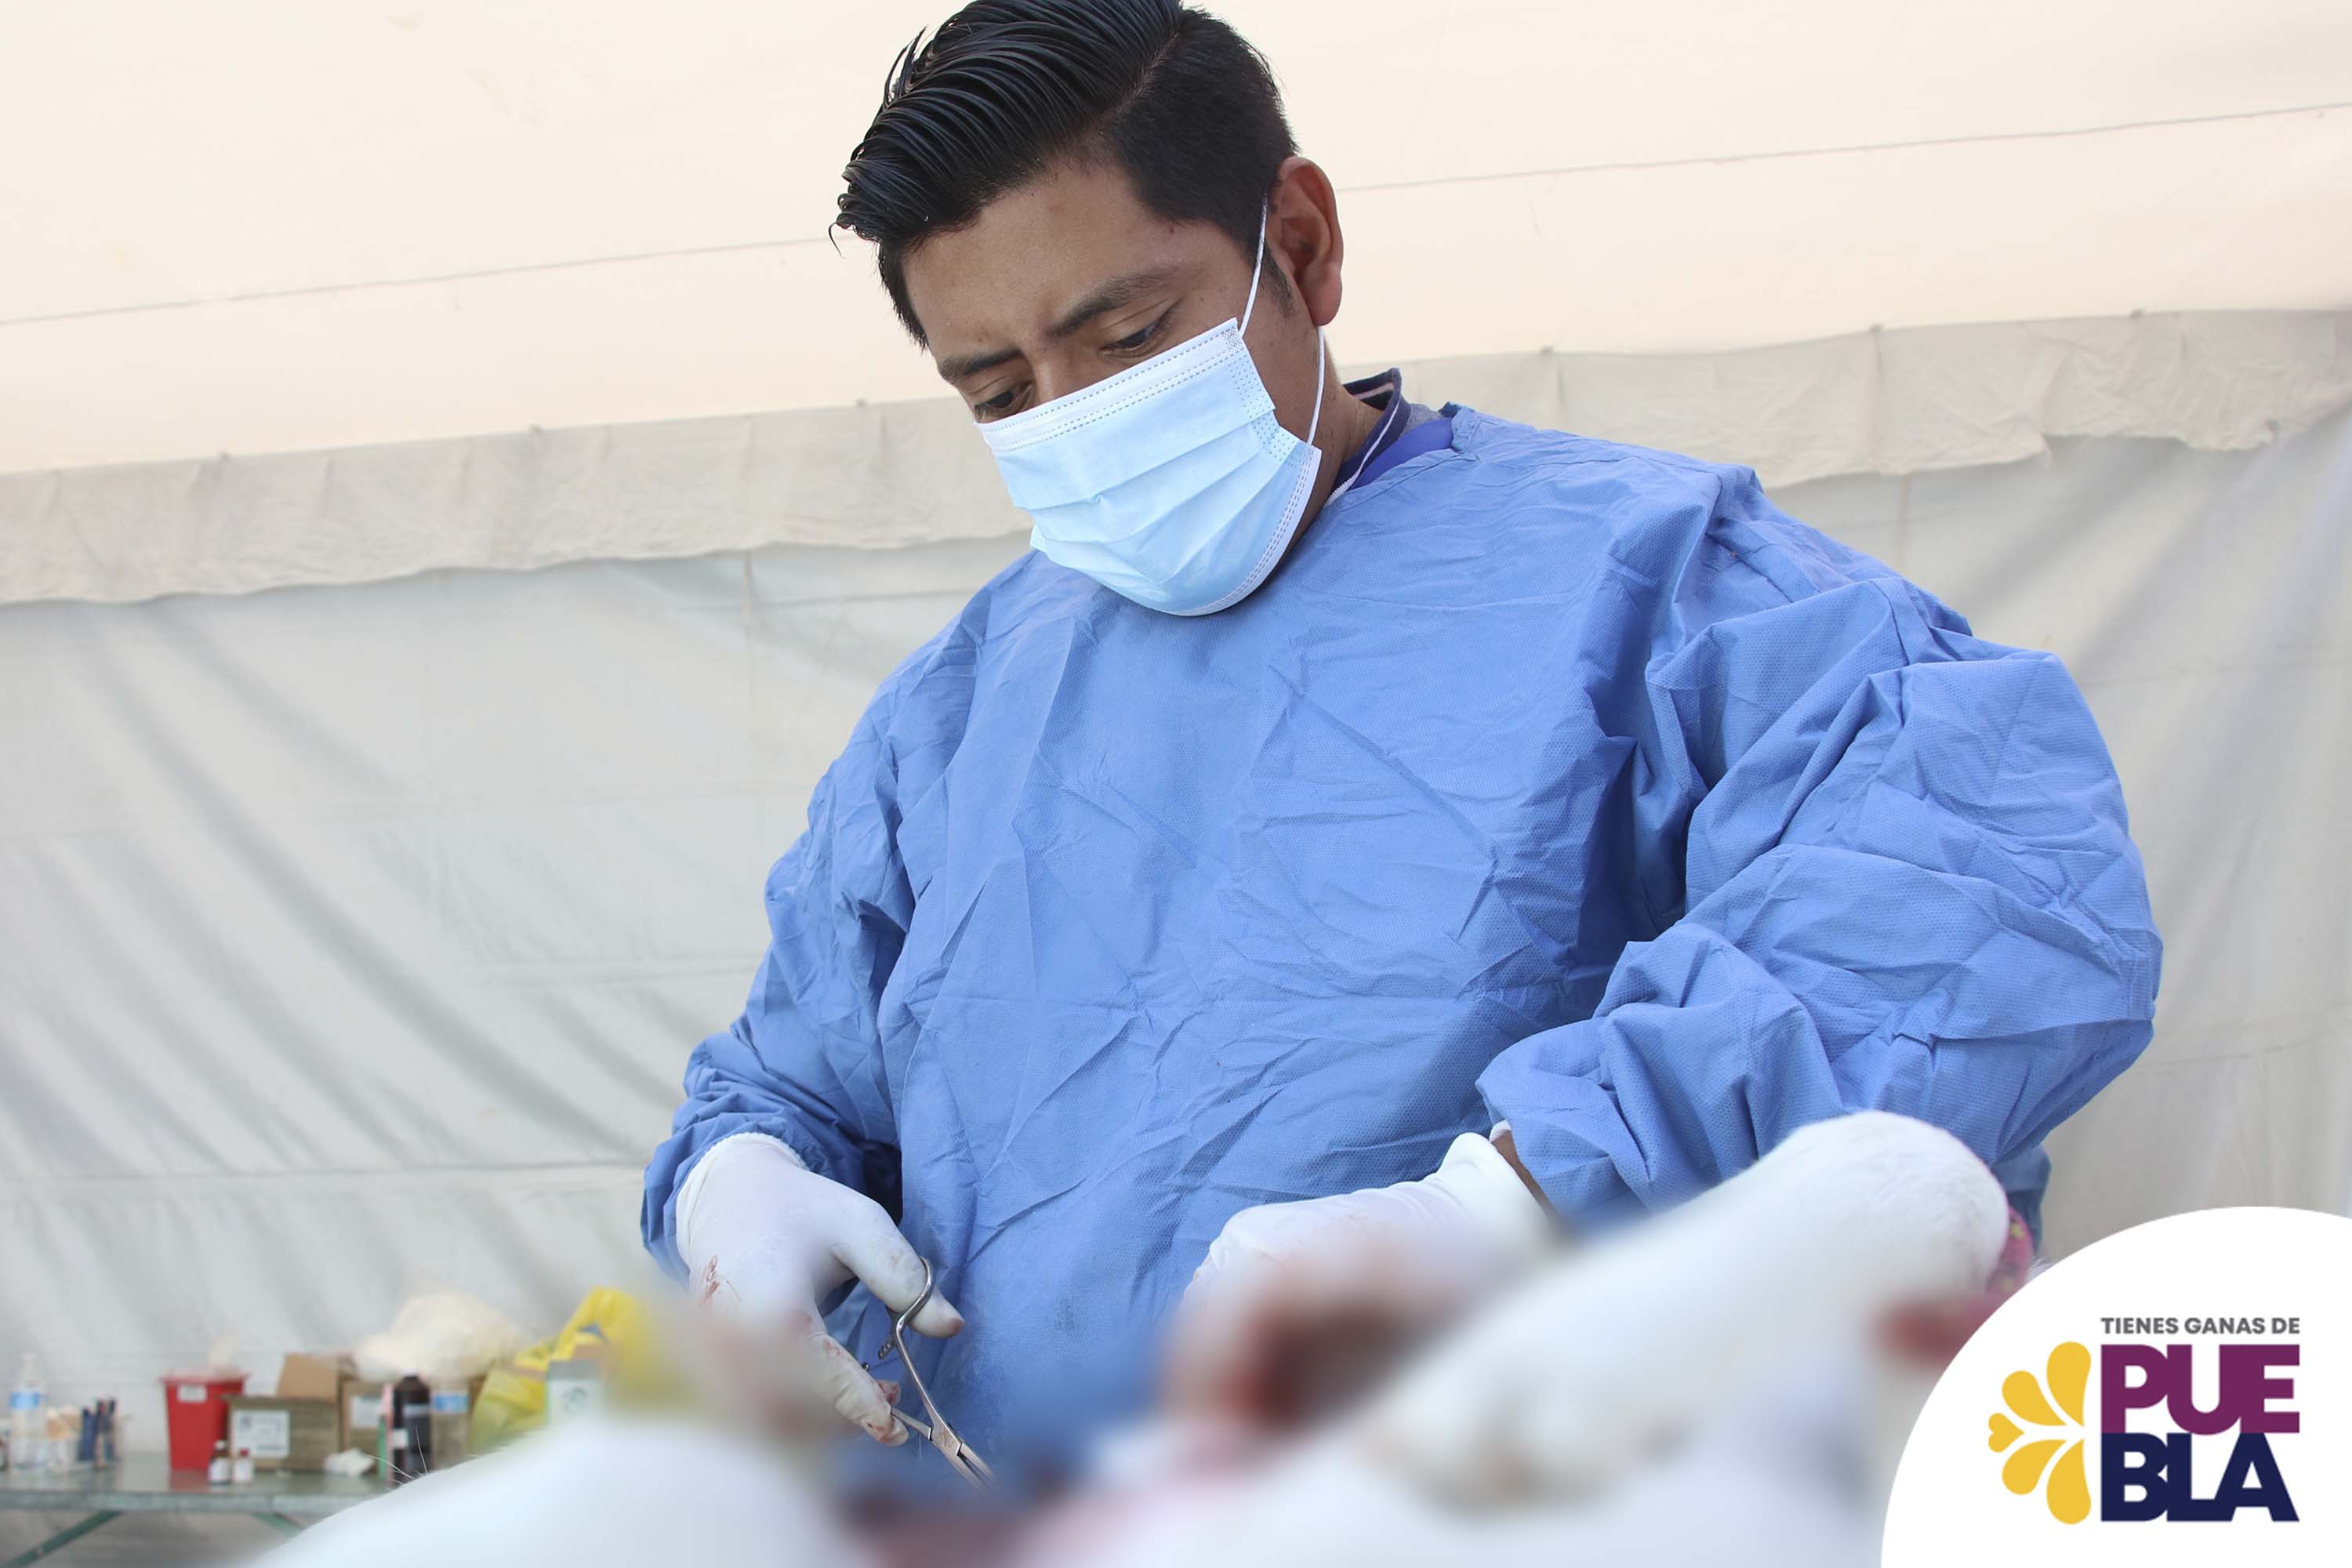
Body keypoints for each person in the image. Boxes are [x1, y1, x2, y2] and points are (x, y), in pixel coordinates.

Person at [642, 0, 2160, 1479]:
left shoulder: (1652, 583)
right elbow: (797, 1078)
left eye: (1126, 335)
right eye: (998, 390)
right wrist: (739, 1183)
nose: (1070, 417)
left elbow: (1979, 896)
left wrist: (1507, 1212)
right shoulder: (957, 715)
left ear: (1300, 246)